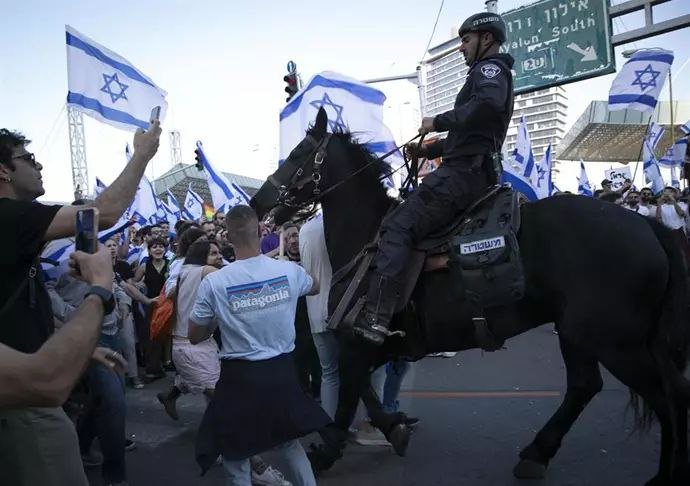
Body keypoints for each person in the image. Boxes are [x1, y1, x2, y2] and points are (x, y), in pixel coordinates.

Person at [0, 123, 160, 486]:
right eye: (29, 158)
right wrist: (143, 154)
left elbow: (23, 313)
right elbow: (101, 214)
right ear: (3, 170)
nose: (39, 166)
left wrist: (84, 349)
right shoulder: (7, 217)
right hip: (26, 405)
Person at [354, 12, 515, 345]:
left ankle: (377, 316)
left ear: (486, 39)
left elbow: (486, 105)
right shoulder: (488, 71)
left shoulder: (490, 69)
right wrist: (427, 151)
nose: (461, 48)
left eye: (466, 40)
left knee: (398, 226)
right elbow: (474, 133)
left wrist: (438, 120)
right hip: (471, 169)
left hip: (461, 177)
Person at [189, 205, 330, 485]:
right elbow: (314, 285)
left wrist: (222, 317)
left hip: (240, 376)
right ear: (260, 231)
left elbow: (194, 335)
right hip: (282, 372)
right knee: (289, 442)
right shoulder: (288, 271)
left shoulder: (215, 283)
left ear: (227, 237)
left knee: (235, 452)